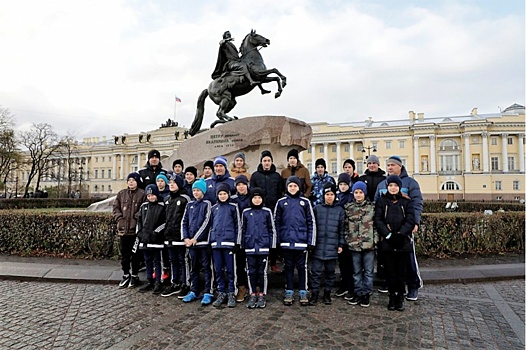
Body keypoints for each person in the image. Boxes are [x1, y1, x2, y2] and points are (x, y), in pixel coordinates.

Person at [374, 155, 424, 301]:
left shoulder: (410, 183)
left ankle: (413, 285)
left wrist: (415, 222)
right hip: (387, 231)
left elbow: (416, 203)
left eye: (392, 165)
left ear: (400, 167)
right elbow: (377, 205)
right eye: (388, 165)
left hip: (404, 231)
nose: (389, 167)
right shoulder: (382, 184)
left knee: (408, 258)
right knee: (387, 259)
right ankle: (390, 285)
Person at [374, 175, 415, 311]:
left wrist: (401, 234)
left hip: (403, 241)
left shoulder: (406, 201)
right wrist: (388, 234)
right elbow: (378, 220)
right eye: (390, 186)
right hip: (388, 241)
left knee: (401, 272)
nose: (393, 188)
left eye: (395, 186)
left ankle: (400, 297)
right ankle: (392, 296)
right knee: (390, 271)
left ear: (399, 187)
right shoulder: (382, 201)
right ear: (387, 187)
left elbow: (410, 219)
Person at [274, 176, 316, 306]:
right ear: (287, 187)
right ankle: (289, 290)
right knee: (288, 267)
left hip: (301, 242)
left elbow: (311, 222)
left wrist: (311, 241)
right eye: (290, 186)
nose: (293, 188)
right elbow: (276, 222)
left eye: (295, 186)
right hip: (286, 242)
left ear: (299, 187)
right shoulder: (281, 202)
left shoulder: (305, 202)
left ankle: (303, 290)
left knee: (302, 268)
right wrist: (277, 241)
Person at [309, 183, 345, 306]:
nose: (329, 197)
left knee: (330, 272)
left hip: (332, 246)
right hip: (318, 246)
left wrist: (340, 244)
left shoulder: (339, 210)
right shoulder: (317, 209)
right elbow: (312, 227)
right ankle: (314, 294)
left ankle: (327, 293)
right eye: (327, 194)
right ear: (323, 195)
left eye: (331, 195)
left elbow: (341, 229)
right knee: (316, 272)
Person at [250, 150, 284, 274]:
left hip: (273, 208)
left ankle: (273, 262)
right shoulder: (255, 176)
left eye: (269, 160)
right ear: (261, 162)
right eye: (265, 160)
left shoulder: (276, 176)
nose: (267, 163)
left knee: (272, 235)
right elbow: (252, 193)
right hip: (259, 209)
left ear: (271, 162)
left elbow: (280, 192)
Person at [242, 187, 276, 309]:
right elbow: (243, 229)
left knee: (262, 273)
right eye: (254, 198)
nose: (257, 200)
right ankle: (252, 293)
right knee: (251, 272)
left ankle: (262, 293)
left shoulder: (267, 212)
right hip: (250, 247)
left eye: (259, 198)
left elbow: (272, 229)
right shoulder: (246, 212)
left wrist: (271, 245)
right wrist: (243, 244)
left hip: (263, 247)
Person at [181, 179, 214, 306]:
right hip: (190, 243)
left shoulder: (207, 204)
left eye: (198, 190)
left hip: (203, 243)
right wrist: (186, 238)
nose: (195, 193)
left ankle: (208, 291)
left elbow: (206, 222)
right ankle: (193, 289)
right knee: (193, 267)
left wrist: (196, 238)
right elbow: (184, 222)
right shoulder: (189, 205)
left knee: (206, 267)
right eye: (194, 190)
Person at [345, 181, 377, 308]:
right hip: (354, 244)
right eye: (356, 192)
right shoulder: (349, 208)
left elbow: (376, 225)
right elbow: (345, 226)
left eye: (361, 192)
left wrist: (375, 240)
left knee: (368, 272)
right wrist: (348, 239)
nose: (358, 195)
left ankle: (366, 294)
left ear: (365, 193)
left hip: (369, 245)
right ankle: (358, 292)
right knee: (356, 272)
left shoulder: (372, 207)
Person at [209, 183, 241, 308]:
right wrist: (210, 242)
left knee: (231, 270)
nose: (222, 196)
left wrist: (237, 242)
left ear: (228, 194)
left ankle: (232, 292)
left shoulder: (233, 207)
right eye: (220, 194)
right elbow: (211, 226)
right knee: (218, 269)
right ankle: (221, 292)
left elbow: (238, 225)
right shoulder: (214, 208)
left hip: (229, 243)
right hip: (216, 244)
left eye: (224, 194)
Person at [112, 173, 146, 289]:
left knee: (135, 255)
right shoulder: (121, 194)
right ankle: (126, 274)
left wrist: (136, 219)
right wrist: (119, 219)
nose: (131, 182)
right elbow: (116, 208)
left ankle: (134, 275)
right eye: (129, 180)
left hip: (135, 231)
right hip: (123, 231)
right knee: (124, 254)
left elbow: (143, 209)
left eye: (133, 180)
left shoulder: (142, 194)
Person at [160, 174, 191, 298]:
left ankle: (185, 283)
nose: (171, 185)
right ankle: (175, 282)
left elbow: (188, 218)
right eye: (170, 183)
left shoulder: (184, 199)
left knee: (183, 260)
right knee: (173, 261)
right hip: (169, 236)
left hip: (181, 236)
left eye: (174, 182)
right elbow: (164, 218)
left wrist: (186, 234)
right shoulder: (167, 199)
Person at [136, 184, 166, 295]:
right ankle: (150, 280)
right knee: (147, 261)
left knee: (157, 261)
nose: (150, 198)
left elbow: (164, 222)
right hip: (144, 239)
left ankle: (158, 281)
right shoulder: (144, 206)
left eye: (152, 195)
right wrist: (140, 233)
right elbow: (139, 220)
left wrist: (156, 233)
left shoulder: (161, 206)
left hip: (156, 240)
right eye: (148, 195)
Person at [230, 174, 251, 302]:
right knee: (239, 263)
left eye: (243, 184)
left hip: (251, 234)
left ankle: (255, 287)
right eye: (238, 185)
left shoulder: (253, 197)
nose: (241, 187)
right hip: (237, 235)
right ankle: (242, 287)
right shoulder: (232, 199)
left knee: (253, 264)